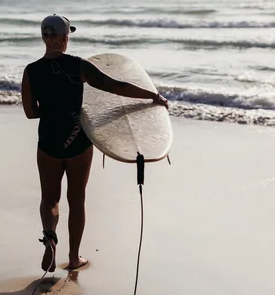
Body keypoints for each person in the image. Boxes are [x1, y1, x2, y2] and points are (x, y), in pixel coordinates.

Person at [21, 14, 168, 272]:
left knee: (49, 199)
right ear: (65, 37)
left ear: (44, 37)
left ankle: (50, 238)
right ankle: (74, 257)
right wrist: (153, 96)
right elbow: (116, 86)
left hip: (48, 141)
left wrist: (53, 109)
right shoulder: (78, 66)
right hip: (77, 139)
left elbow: (31, 112)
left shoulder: (31, 71)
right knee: (76, 199)